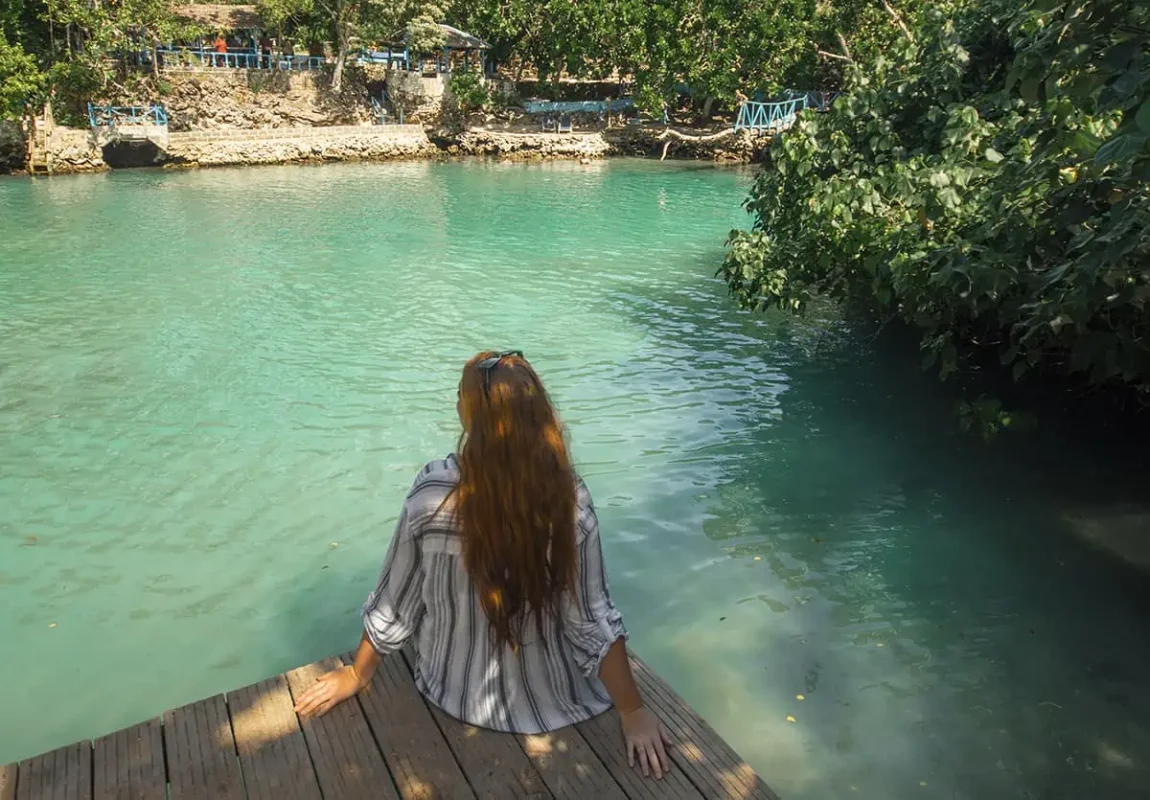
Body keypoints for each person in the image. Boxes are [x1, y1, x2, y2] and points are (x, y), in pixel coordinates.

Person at [294, 351, 672, 780]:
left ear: (468, 413)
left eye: (460, 394)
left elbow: (396, 600)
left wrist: (358, 675)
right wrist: (634, 713)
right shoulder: (567, 500)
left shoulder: (432, 493)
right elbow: (591, 618)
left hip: (453, 692)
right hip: (555, 700)